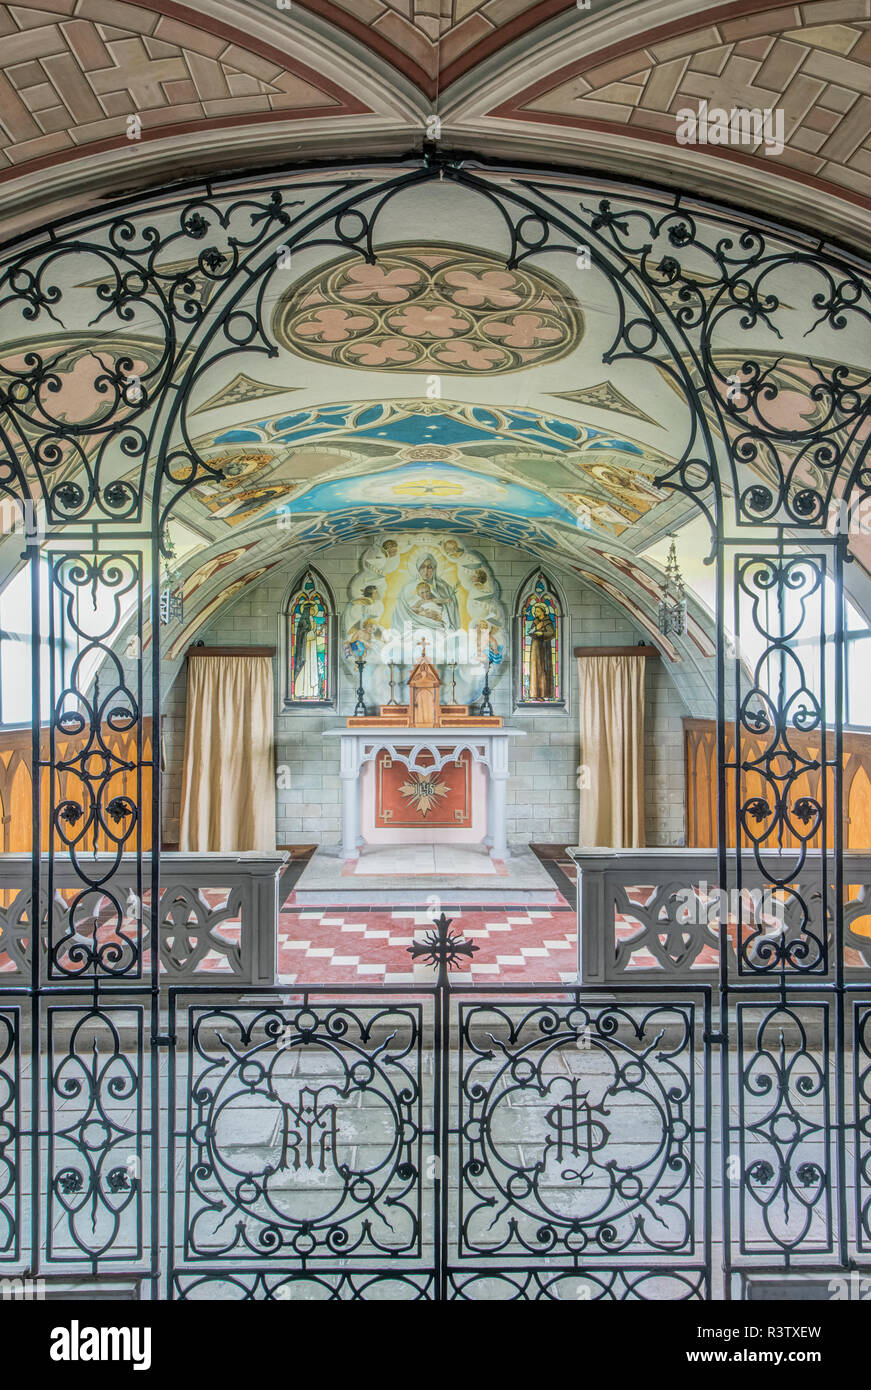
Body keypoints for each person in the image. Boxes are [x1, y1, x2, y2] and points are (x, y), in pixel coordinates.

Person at [528, 603, 556, 700]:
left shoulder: (547, 621)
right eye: (535, 611)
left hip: (544, 646)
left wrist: (542, 633)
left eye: (538, 611)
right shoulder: (535, 621)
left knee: (543, 668)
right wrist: (535, 629)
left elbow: (552, 633)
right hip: (535, 645)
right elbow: (529, 630)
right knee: (535, 667)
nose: (536, 613)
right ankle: (535, 694)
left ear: (543, 612)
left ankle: (544, 694)